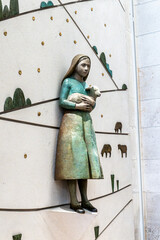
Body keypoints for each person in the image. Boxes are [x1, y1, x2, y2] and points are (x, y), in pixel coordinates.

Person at [55, 54, 103, 214]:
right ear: (75, 64)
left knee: (85, 161)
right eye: (83, 65)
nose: (86, 68)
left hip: (85, 124)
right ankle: (73, 201)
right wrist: (77, 107)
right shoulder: (68, 82)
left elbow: (89, 104)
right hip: (72, 122)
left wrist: (90, 104)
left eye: (88, 66)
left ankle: (85, 199)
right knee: (73, 160)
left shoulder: (84, 85)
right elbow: (62, 101)